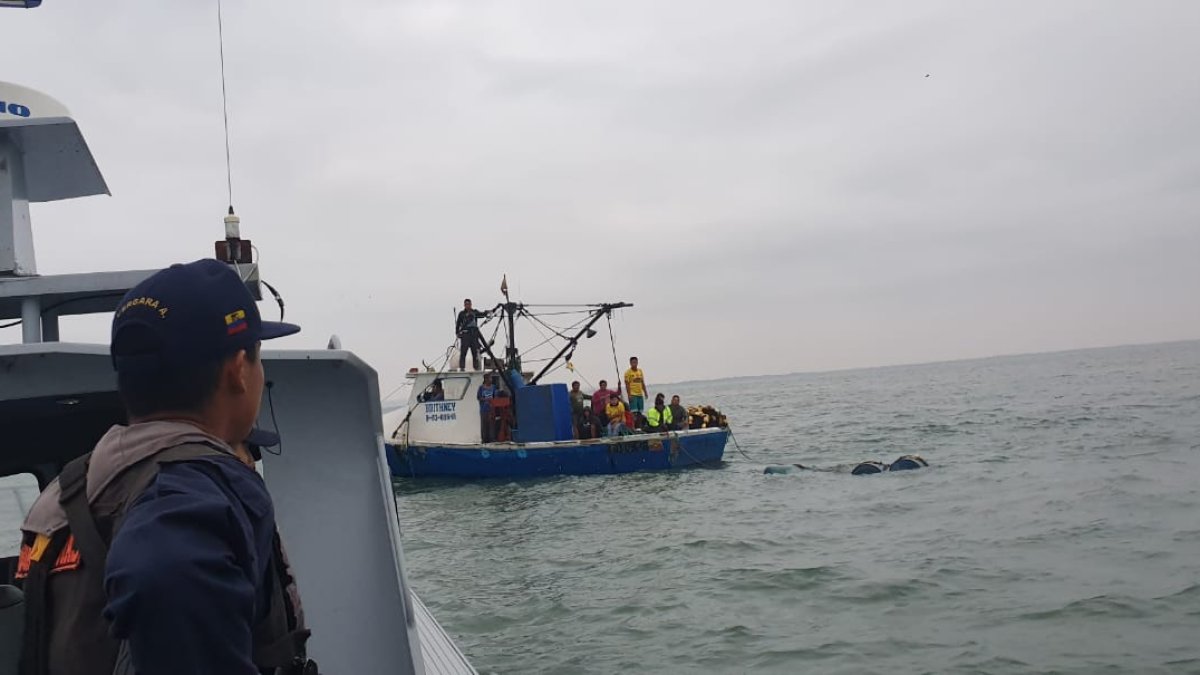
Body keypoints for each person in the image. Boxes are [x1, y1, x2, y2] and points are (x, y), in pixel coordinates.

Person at [14, 259, 315, 675]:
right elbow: (162, 572)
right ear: (238, 371)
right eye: (258, 356)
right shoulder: (194, 489)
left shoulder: (75, 487)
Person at [455, 298, 488, 371]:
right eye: (466, 304)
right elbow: (458, 324)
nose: (468, 306)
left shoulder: (474, 312)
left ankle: (476, 368)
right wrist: (457, 333)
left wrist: (488, 312)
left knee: (475, 352)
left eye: (469, 304)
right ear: (464, 305)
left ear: (471, 304)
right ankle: (462, 367)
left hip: (474, 335)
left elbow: (482, 314)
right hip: (465, 335)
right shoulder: (462, 314)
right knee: (463, 352)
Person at [477, 374, 497, 442]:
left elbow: (495, 397)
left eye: (491, 378)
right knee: (484, 424)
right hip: (484, 409)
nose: (491, 380)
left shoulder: (493, 387)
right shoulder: (481, 388)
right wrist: (486, 399)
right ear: (486, 379)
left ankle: (492, 439)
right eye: (489, 378)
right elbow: (479, 397)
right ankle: (484, 439)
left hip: (491, 409)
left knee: (492, 424)